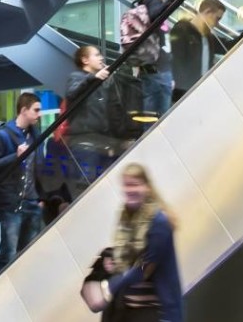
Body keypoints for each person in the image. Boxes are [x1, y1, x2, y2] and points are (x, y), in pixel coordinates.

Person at [98, 164, 182, 322]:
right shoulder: (127, 217)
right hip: (129, 309)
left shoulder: (159, 222)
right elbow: (129, 259)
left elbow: (145, 267)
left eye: (135, 184)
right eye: (126, 185)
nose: (130, 190)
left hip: (155, 312)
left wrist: (111, 285)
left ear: (147, 187)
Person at [0, 92, 45, 271]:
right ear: (24, 110)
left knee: (30, 255)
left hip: (32, 202)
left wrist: (41, 198)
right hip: (11, 203)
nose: (39, 114)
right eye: (36, 110)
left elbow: (39, 169)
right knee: (9, 253)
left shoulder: (36, 137)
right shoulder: (3, 135)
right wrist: (14, 157)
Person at [65, 45, 120, 180]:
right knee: (86, 186)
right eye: (96, 55)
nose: (101, 57)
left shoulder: (100, 82)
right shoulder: (76, 77)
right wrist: (93, 78)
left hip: (103, 142)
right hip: (85, 143)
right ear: (85, 60)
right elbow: (72, 93)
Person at [168, 0, 236, 102]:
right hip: (185, 94)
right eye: (217, 18)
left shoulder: (207, 37)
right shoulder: (182, 31)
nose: (217, 24)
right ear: (207, 12)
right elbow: (177, 65)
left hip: (201, 91)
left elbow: (227, 46)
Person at [136, 0, 176, 118]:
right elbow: (154, 15)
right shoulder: (151, 0)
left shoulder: (155, 2)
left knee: (155, 121)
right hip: (156, 73)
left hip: (158, 72)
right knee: (156, 123)